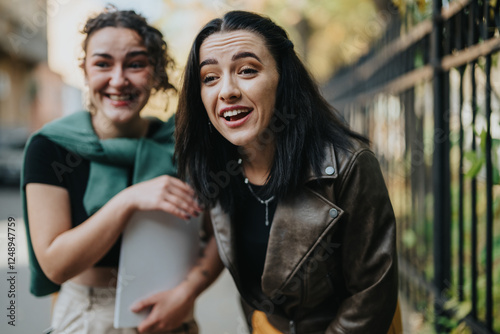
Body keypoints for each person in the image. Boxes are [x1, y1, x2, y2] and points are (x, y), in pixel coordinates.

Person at [175, 10, 401, 334]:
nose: (227, 90)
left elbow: (372, 294)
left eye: (247, 70)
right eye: (210, 77)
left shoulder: (347, 166)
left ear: (283, 77)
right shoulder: (217, 169)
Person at [21, 7, 223, 334]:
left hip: (172, 314)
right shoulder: (52, 147)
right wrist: (128, 200)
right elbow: (55, 266)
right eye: (102, 63)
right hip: (89, 317)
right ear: (85, 72)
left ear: (156, 72)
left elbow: (218, 237)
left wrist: (187, 293)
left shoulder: (184, 144)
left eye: (136, 64)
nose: (118, 80)